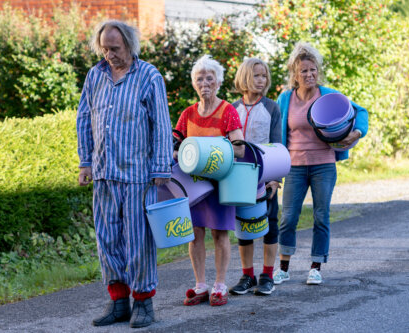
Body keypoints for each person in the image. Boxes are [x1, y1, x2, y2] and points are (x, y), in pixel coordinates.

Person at [76, 20, 173, 329]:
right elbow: (83, 118)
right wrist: (85, 161)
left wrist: (161, 167)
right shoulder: (95, 76)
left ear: (130, 46)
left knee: (138, 241)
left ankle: (144, 303)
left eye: (115, 49)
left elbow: (161, 122)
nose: (109, 55)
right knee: (107, 239)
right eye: (104, 48)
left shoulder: (149, 76)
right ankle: (119, 301)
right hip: (104, 172)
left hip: (137, 175)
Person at [274, 42, 368, 285]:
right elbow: (276, 132)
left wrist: (355, 133)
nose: (309, 75)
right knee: (288, 217)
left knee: (321, 215)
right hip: (293, 166)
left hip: (324, 165)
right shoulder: (285, 99)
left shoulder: (328, 95)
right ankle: (283, 267)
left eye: (313, 70)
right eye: (304, 71)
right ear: (295, 74)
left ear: (318, 71)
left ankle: (316, 266)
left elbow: (362, 113)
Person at [174, 55, 244, 307]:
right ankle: (200, 284)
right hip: (193, 186)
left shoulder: (228, 111)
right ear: (194, 84)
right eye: (199, 79)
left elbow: (239, 148)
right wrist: (178, 153)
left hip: (219, 183)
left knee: (220, 234)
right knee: (195, 235)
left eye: (209, 78)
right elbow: (175, 145)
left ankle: (220, 285)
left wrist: (210, 151)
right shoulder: (188, 114)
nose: (204, 83)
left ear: (218, 82)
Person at [228, 58, 282, 296]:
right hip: (239, 176)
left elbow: (277, 144)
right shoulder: (232, 108)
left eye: (264, 76)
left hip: (265, 174)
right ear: (245, 78)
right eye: (256, 76)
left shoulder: (272, 107)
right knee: (244, 225)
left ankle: (267, 275)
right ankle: (247, 275)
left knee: (270, 224)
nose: (261, 80)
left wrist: (275, 177)